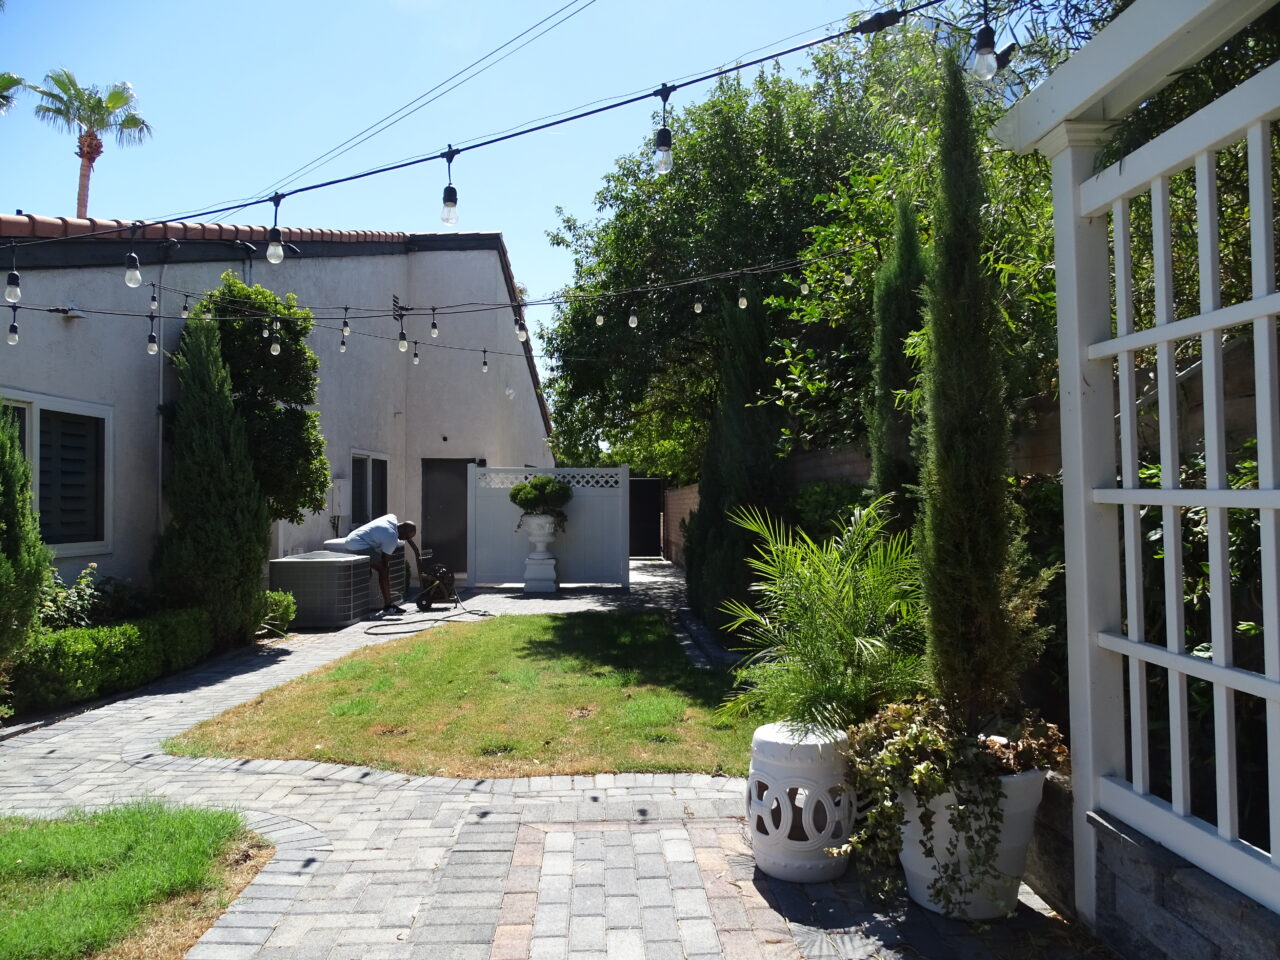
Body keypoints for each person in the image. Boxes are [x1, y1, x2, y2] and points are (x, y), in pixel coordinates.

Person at [329, 514, 421, 614]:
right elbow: (385, 561)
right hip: (357, 544)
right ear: (403, 530)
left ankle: (366, 601)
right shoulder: (391, 537)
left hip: (353, 538)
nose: (405, 540)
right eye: (407, 537)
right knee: (384, 570)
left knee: (370, 572)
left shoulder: (391, 518)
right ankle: (389, 606)